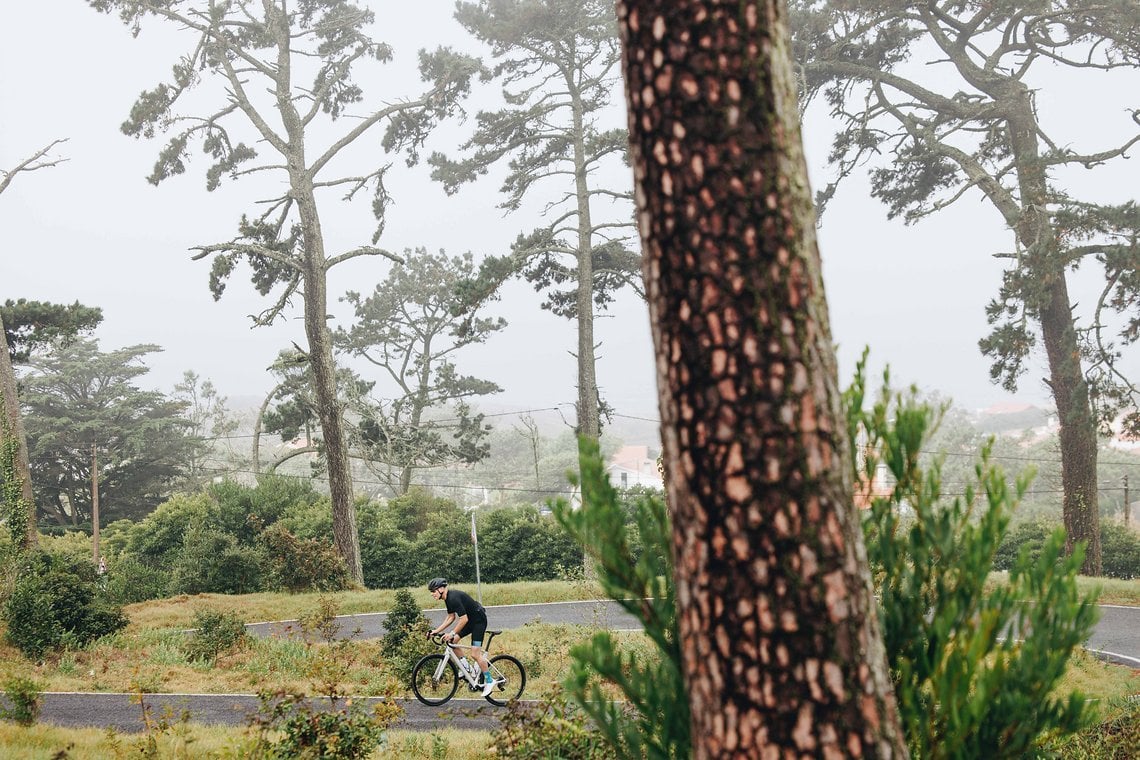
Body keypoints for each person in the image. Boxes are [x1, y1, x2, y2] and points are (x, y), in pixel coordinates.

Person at [426, 577, 495, 696]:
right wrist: (435, 631)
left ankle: (490, 680)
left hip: (478, 621)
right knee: (453, 642)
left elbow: (464, 619)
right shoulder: (447, 599)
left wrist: (451, 633)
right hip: (470, 621)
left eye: (433, 591)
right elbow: (451, 617)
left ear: (441, 589)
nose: (432, 594)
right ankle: (467, 669)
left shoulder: (453, 598)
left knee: (475, 654)